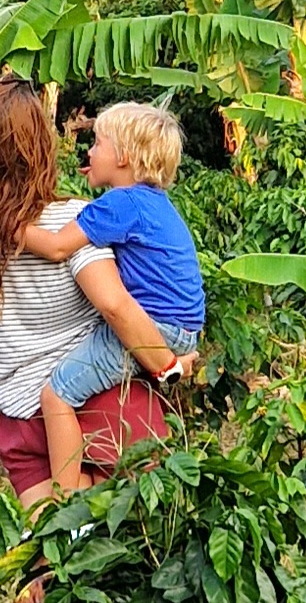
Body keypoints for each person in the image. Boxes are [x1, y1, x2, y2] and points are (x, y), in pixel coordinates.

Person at [0, 75, 179, 503]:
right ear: (41, 146)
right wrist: (169, 364)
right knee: (135, 546)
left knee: (50, 555)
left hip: (19, 418)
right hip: (104, 406)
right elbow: (114, 304)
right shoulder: (73, 219)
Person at [20, 101, 203, 495]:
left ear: (123, 156)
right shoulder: (154, 204)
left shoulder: (119, 204)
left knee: (57, 394)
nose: (89, 151)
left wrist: (8, 229)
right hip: (183, 330)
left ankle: (64, 509)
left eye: (97, 143)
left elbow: (55, 247)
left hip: (153, 328)